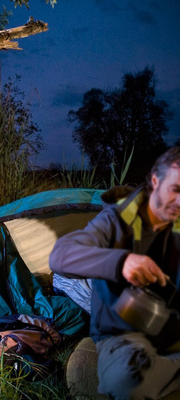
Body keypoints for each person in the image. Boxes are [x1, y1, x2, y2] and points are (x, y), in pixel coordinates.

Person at [49, 146, 180, 400]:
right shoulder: (115, 221)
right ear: (155, 182)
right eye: (175, 190)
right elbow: (60, 255)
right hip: (126, 333)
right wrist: (122, 262)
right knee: (127, 382)